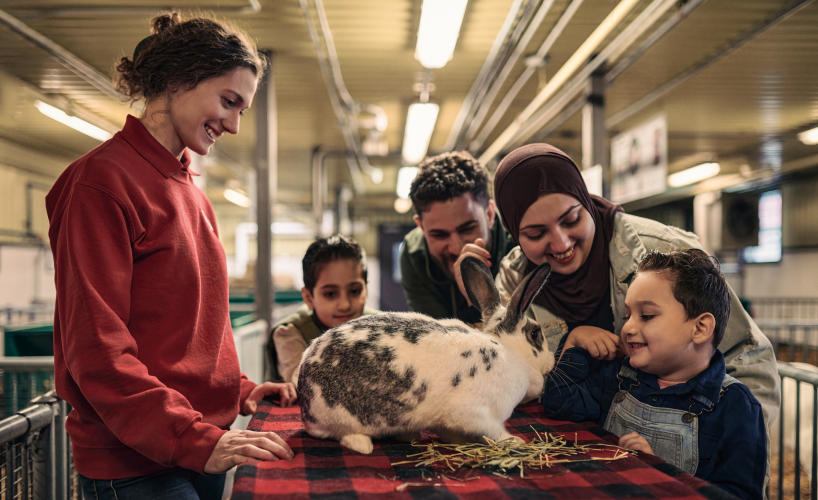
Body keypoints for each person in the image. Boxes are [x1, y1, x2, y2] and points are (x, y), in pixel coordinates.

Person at [46, 13, 295, 500]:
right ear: (180, 79)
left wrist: (238, 389)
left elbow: (190, 322)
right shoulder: (101, 183)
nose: (235, 125)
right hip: (136, 459)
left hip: (200, 442)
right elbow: (97, 350)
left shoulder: (189, 190)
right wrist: (193, 436)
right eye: (229, 102)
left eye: (242, 109)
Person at [488, 143, 779, 476]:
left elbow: (749, 359)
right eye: (536, 233)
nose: (561, 244)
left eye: (571, 220)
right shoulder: (515, 278)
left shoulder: (666, 254)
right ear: (514, 233)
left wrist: (720, 460)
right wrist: (572, 344)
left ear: (585, 201)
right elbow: (509, 372)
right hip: (596, 458)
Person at [543, 249, 765, 500]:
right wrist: (574, 341)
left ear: (700, 328)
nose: (627, 327)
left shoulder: (736, 406)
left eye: (646, 316)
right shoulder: (620, 375)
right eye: (628, 315)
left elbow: (740, 493)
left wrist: (662, 474)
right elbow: (558, 404)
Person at [400, 151, 513, 324]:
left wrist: (479, 297)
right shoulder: (414, 254)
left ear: (490, 214)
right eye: (439, 234)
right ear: (421, 227)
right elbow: (436, 341)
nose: (457, 247)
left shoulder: (520, 240)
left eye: (468, 228)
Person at [271, 234, 377, 384]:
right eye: (330, 294)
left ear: (366, 289)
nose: (345, 305)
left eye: (355, 291)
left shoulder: (383, 328)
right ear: (308, 297)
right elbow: (305, 384)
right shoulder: (291, 335)